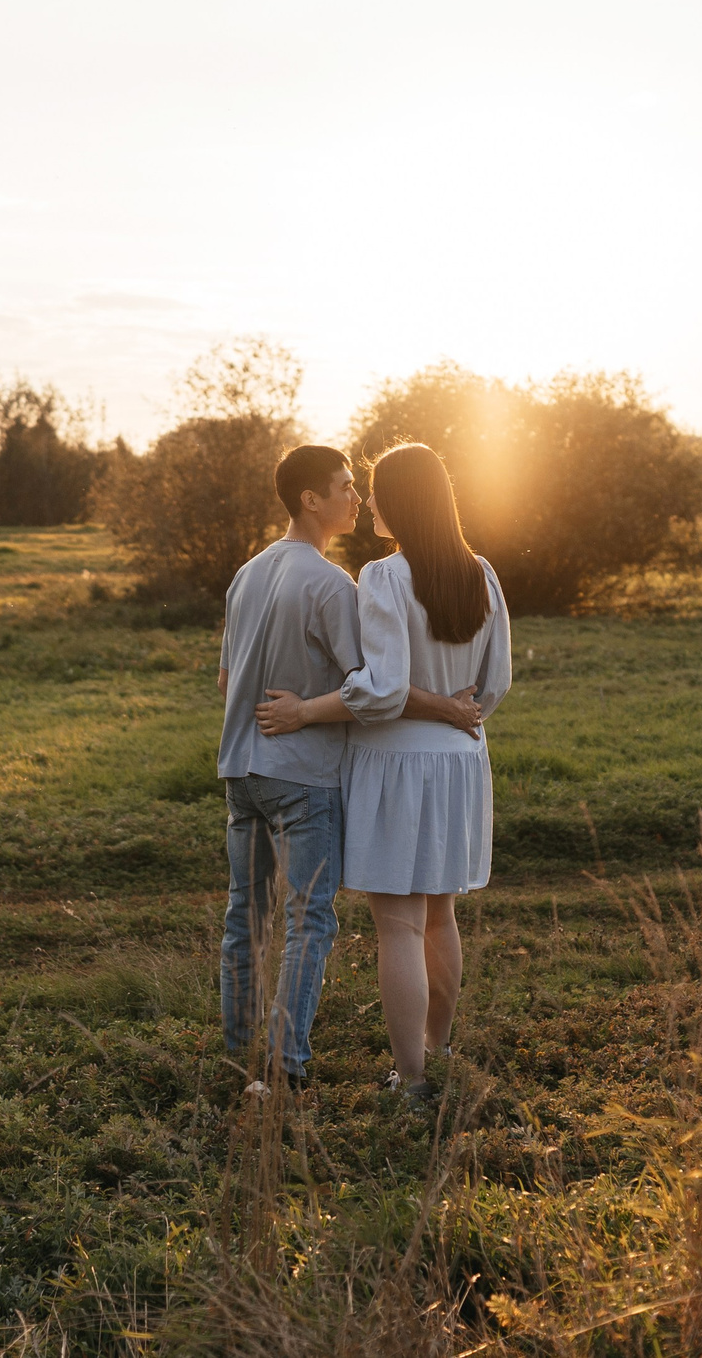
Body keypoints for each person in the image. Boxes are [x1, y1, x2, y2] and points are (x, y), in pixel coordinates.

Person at [217, 444, 482, 1092]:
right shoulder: (337, 583)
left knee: (243, 917)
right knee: (318, 921)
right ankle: (289, 1069)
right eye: (344, 486)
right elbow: (369, 687)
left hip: (241, 765)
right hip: (306, 774)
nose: (357, 499)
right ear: (311, 499)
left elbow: (227, 677)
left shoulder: (247, 573)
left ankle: (237, 1058)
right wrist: (447, 705)